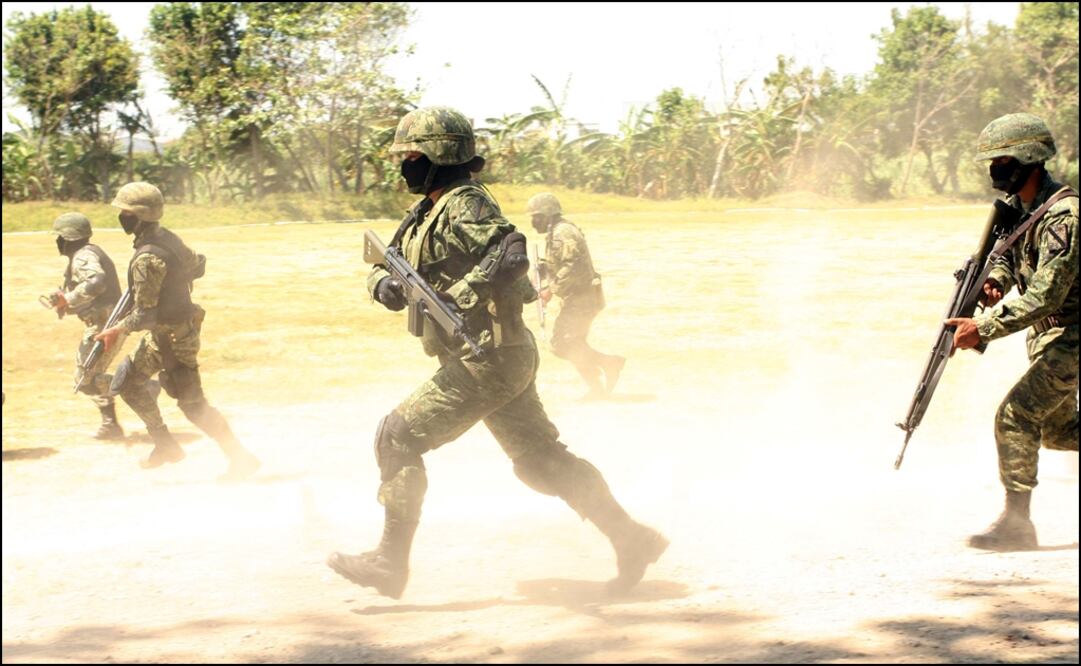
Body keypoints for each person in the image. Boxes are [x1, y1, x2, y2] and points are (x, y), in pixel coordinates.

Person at [326, 107, 667, 599]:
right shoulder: (428, 209)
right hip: (502, 353)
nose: (405, 165)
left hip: (485, 356)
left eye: (413, 155)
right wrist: (384, 284)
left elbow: (511, 254)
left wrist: (458, 295)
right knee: (539, 460)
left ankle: (389, 562)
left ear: (440, 153)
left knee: (397, 436)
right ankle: (632, 539)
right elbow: (386, 260)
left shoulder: (465, 202)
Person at [946, 112, 1078, 551]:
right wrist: (996, 280)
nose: (994, 170)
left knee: (1016, 416)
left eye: (1002, 160)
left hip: (1071, 336)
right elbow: (1009, 251)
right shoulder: (1025, 208)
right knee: (1058, 431)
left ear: (1029, 159)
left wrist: (982, 327)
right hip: (1050, 339)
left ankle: (1018, 526)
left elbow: (1045, 296)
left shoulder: (1064, 217)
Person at [94, 182, 261, 480]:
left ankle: (240, 458)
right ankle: (165, 444)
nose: (121, 216)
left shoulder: (146, 257)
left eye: (125, 212)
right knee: (127, 381)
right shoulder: (167, 238)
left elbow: (145, 314)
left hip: (172, 338)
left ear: (139, 215)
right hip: (170, 332)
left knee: (193, 405)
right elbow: (197, 265)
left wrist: (114, 330)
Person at [527, 193, 625, 399]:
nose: (532, 222)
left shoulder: (563, 233)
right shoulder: (557, 232)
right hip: (580, 298)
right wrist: (545, 268)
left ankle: (610, 363)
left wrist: (550, 290)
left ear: (547, 214)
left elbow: (572, 266)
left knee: (563, 343)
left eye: (535, 216)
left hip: (584, 299)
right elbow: (564, 263)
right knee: (572, 342)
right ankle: (598, 389)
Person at [49, 212, 127, 440]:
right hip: (103, 322)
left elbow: (97, 282)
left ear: (68, 238)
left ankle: (138, 386)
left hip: (105, 324)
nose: (57, 242)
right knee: (88, 377)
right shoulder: (85, 253)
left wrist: (69, 299)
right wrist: (67, 303)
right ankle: (111, 424)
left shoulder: (83, 256)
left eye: (59, 237)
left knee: (86, 379)